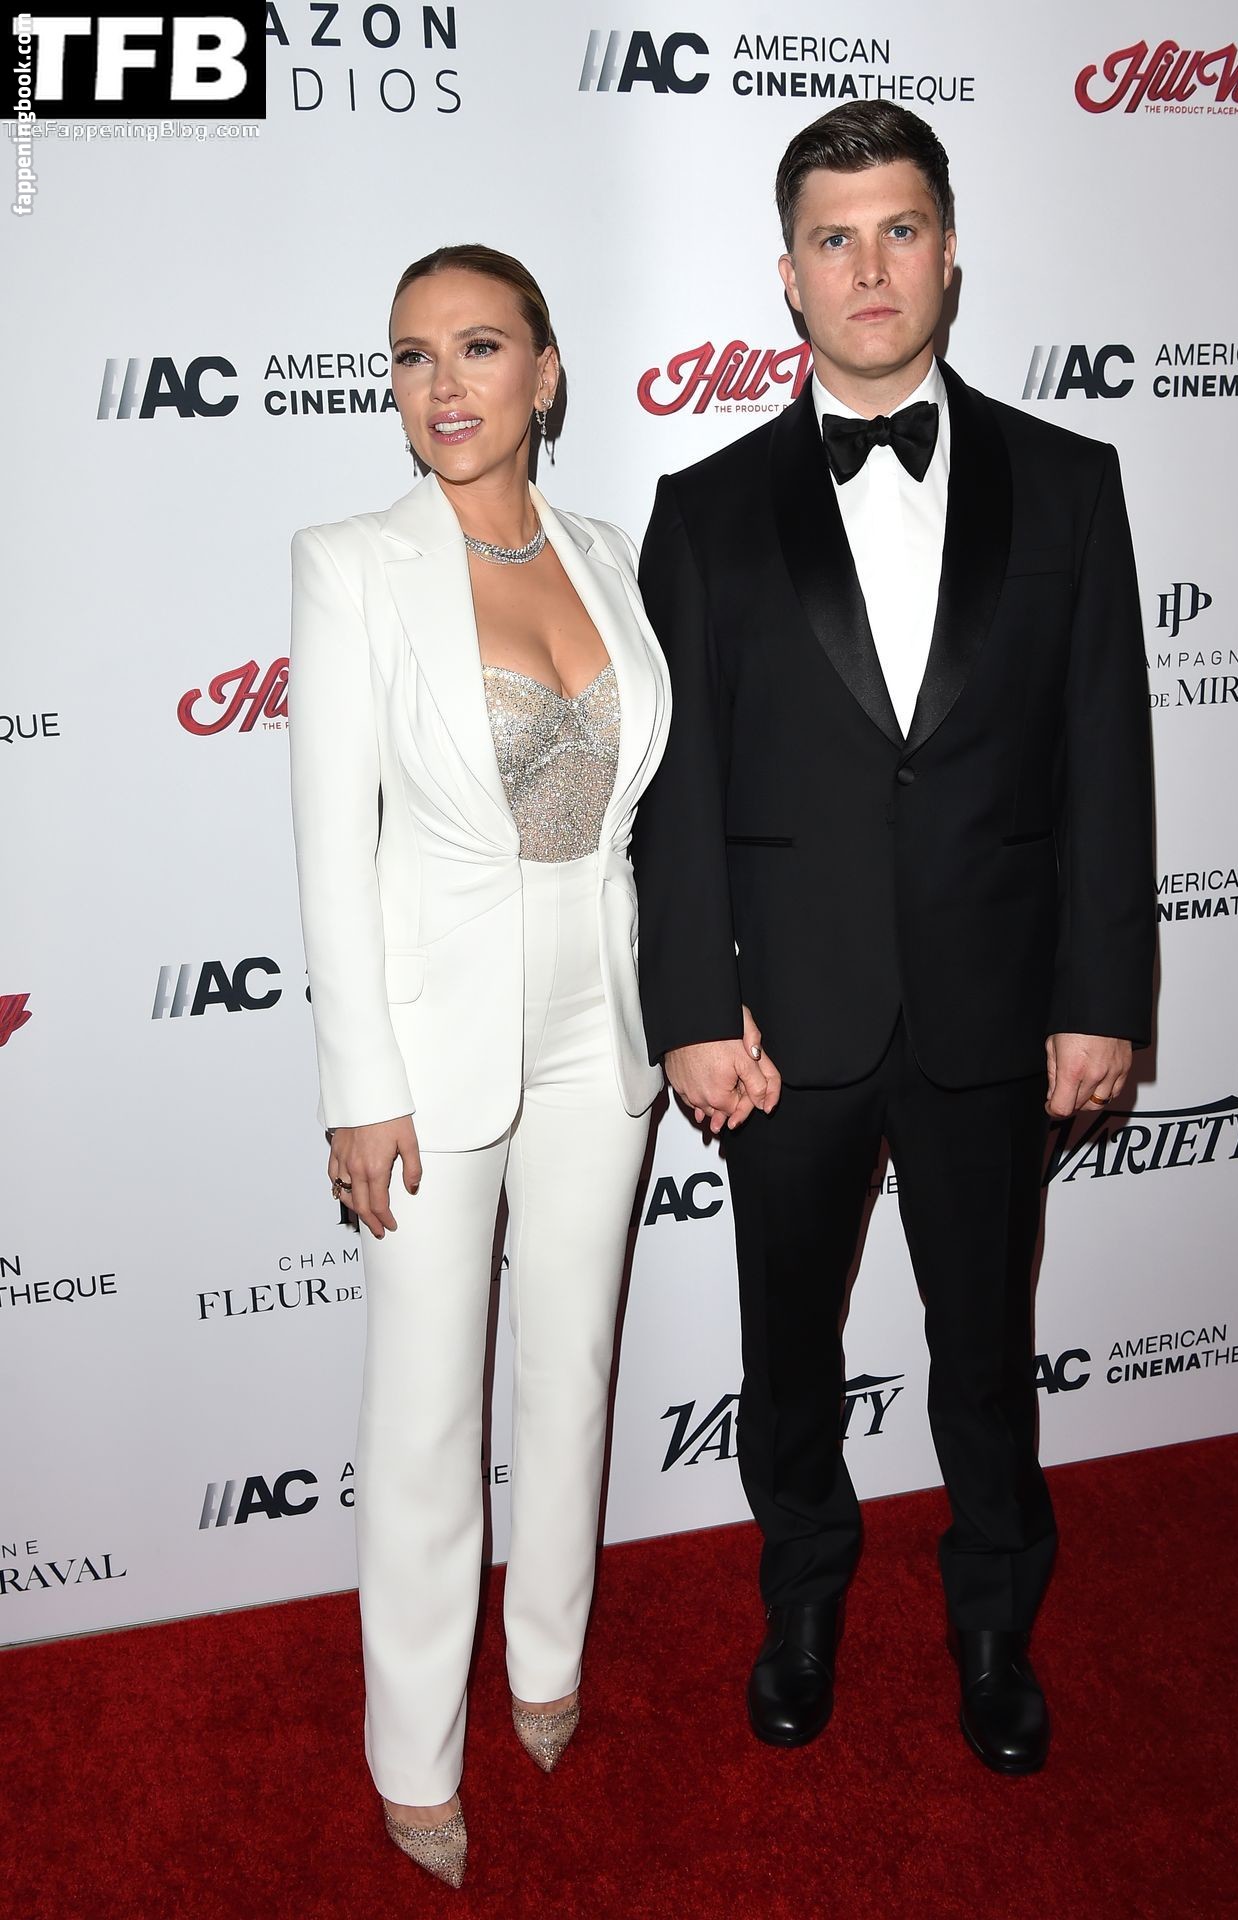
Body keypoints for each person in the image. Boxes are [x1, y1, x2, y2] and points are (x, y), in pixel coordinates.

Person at [631, 102, 1154, 1776]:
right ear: (788, 274)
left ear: (949, 254)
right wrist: (689, 1008)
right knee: (787, 1351)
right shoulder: (703, 507)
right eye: (834, 237)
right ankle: (800, 1601)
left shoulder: (1069, 482)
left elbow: (1103, 757)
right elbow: (677, 795)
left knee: (984, 1351)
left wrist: (1099, 995)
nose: (869, 267)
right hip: (781, 1026)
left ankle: (994, 1623)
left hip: (997, 1009)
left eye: (899, 229)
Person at [287, 243, 670, 1885]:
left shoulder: (605, 553)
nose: (442, 384)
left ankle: (548, 1662)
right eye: (411, 355)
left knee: (572, 1369)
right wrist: (357, 1085)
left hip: (604, 1029)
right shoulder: (352, 564)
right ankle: (413, 1751)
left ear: (546, 371)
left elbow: (646, 819)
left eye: (479, 347)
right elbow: (329, 845)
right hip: (431, 1047)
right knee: (428, 1413)